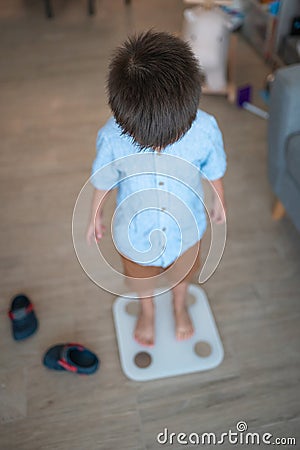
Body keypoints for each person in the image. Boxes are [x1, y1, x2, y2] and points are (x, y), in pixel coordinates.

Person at [86, 30, 226, 347]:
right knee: (140, 278)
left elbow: (213, 166)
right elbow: (103, 178)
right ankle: (147, 312)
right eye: (149, 141)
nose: (161, 146)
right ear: (124, 119)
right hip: (135, 232)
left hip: (187, 228)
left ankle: (179, 307)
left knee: (182, 275)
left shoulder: (204, 129)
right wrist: (95, 214)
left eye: (172, 137)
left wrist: (219, 197)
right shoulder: (111, 137)